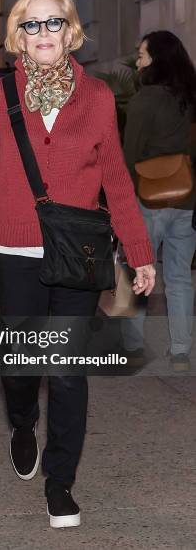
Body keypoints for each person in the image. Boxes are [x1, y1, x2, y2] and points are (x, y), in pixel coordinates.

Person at [0, 0, 156, 529]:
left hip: (79, 252)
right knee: (23, 365)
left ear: (71, 31)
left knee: (69, 372)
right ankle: (23, 421)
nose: (44, 33)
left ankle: (60, 482)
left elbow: (117, 181)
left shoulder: (96, 97)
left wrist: (138, 252)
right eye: (32, 25)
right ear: (17, 37)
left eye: (54, 23)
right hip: (14, 249)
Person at [123, 31, 196, 373]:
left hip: (146, 200)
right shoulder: (190, 97)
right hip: (186, 199)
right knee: (180, 277)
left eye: (141, 55)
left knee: (139, 271)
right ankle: (180, 351)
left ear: (156, 59)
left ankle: (135, 348)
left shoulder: (144, 100)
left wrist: (120, 199)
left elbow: (130, 154)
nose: (138, 61)